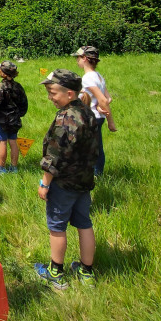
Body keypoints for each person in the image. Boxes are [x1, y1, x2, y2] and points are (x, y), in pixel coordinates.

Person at [34, 69, 99, 290]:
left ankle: (55, 272)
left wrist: (45, 183)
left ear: (69, 93)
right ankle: (86, 271)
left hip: (64, 183)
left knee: (57, 227)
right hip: (84, 180)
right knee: (84, 223)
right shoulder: (87, 112)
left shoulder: (65, 119)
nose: (50, 97)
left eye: (53, 93)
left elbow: (55, 156)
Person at [73, 45, 116, 177]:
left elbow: (103, 100)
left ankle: (94, 175)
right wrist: (97, 104)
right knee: (96, 147)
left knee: (90, 148)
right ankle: (96, 174)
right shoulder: (98, 76)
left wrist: (111, 122)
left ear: (85, 58)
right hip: (97, 116)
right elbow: (109, 98)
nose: (77, 61)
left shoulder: (88, 78)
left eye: (78, 58)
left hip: (90, 118)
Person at [0, 60, 29, 173]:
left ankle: (1, 168)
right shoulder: (18, 86)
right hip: (14, 118)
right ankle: (14, 167)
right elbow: (24, 102)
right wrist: (19, 114)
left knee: (2, 142)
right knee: (13, 141)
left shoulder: (0, 86)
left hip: (2, 119)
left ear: (3, 73)